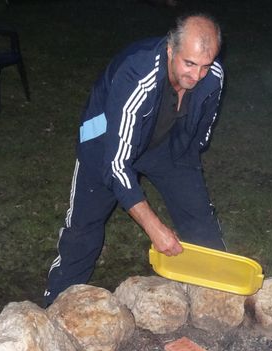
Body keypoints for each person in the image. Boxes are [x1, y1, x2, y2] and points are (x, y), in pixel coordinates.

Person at [44, 13, 225, 305]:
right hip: (106, 141)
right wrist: (154, 228)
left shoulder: (212, 77)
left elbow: (200, 135)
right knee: (84, 229)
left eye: (205, 65)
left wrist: (186, 169)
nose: (196, 76)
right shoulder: (137, 74)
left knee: (202, 224)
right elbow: (117, 164)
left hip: (167, 148)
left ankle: (215, 304)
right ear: (171, 49)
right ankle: (54, 304)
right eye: (189, 63)